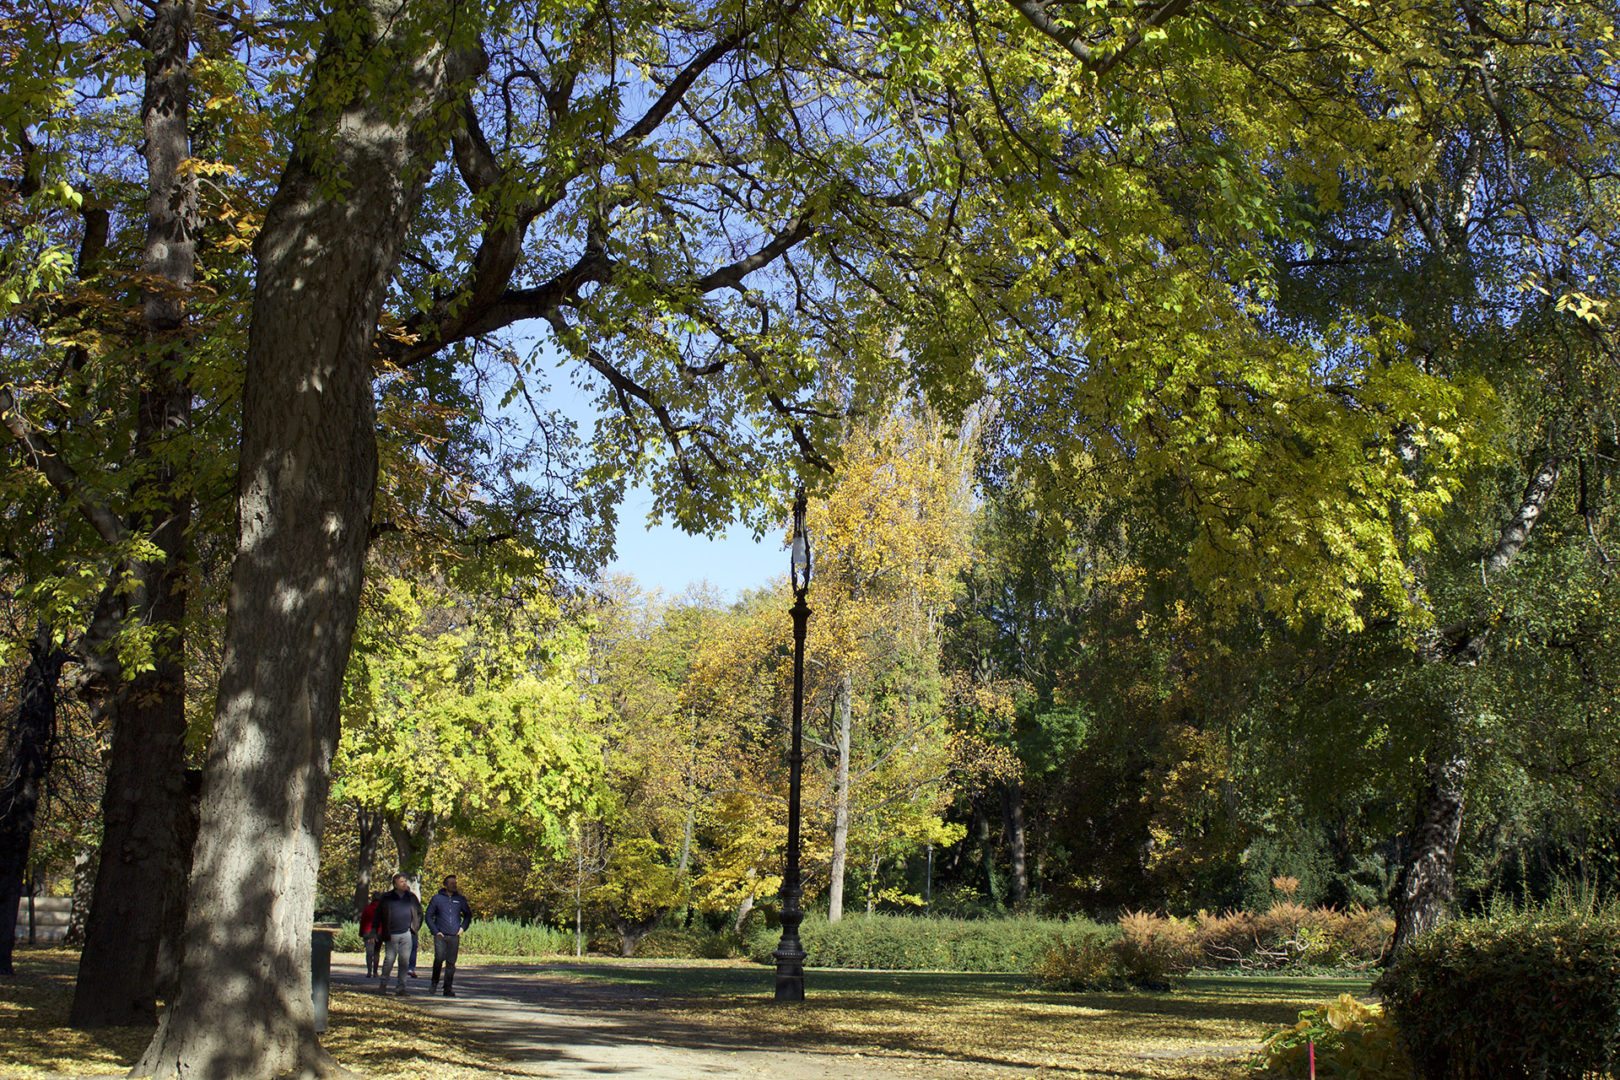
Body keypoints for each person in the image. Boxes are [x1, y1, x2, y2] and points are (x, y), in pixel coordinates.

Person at [425, 874, 474, 996]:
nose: (454, 885)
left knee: (451, 963)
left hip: (454, 935)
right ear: (446, 885)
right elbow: (428, 916)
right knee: (439, 959)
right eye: (452, 883)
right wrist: (435, 931)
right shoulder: (437, 898)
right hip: (440, 935)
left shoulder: (460, 899)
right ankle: (434, 983)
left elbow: (468, 915)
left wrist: (463, 928)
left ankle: (448, 988)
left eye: (455, 883)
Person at [376, 873, 422, 995]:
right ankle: (383, 985)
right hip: (391, 934)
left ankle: (401, 988)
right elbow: (378, 915)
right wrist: (374, 932)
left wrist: (415, 927)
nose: (404, 884)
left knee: (404, 962)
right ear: (395, 884)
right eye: (401, 882)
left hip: (407, 933)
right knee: (389, 960)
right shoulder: (387, 897)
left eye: (405, 881)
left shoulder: (411, 897)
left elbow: (419, 912)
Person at [359, 891, 384, 978]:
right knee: (376, 952)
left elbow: (363, 921)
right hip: (379, 933)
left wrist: (361, 933)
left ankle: (369, 971)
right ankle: (375, 972)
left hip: (368, 932)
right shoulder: (383, 909)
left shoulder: (367, 908)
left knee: (369, 953)